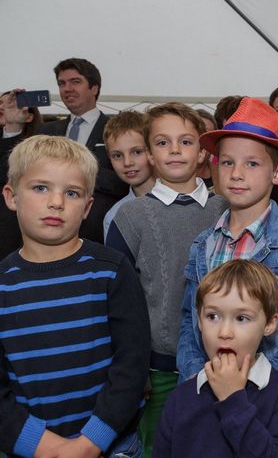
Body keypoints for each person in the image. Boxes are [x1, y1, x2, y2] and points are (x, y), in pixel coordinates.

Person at [176, 97, 278, 457]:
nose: (237, 174)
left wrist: (275, 378)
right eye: (229, 163)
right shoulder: (203, 245)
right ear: (215, 168)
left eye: (252, 164)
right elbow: (189, 319)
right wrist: (195, 379)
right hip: (211, 398)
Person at [0, 135, 150, 458]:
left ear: (87, 207)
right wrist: (44, 447)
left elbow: (131, 366)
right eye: (41, 188)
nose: (57, 202)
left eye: (72, 193)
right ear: (11, 196)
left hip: (113, 446)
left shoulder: (112, 271)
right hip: (30, 449)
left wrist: (89, 444)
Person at [105, 102, 228, 457]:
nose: (174, 150)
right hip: (159, 370)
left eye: (185, 141)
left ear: (202, 151)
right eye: (162, 142)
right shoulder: (130, 216)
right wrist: (134, 372)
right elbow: (118, 304)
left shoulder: (225, 209)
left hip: (222, 363)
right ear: (149, 155)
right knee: (161, 447)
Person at [153, 259, 278, 457]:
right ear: (199, 320)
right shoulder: (180, 398)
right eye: (213, 316)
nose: (224, 332)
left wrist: (232, 399)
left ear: (269, 324)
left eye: (241, 318)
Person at [39, 58, 129, 243]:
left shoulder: (114, 129)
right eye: (62, 83)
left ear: (94, 88)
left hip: (97, 233)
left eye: (75, 82)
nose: (67, 89)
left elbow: (127, 180)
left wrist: (80, 173)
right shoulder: (46, 132)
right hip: (50, 231)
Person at [0, 90, 42, 260]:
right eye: (1, 104)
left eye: (10, 104)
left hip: (12, 231)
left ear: (29, 116)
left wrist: (12, 126)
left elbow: (9, 171)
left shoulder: (35, 149)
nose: (3, 107)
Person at [102, 111, 155, 239]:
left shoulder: (182, 199)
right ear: (109, 158)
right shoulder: (115, 216)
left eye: (137, 152)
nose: (127, 162)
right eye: (117, 156)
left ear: (153, 150)